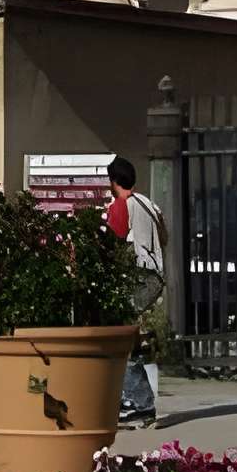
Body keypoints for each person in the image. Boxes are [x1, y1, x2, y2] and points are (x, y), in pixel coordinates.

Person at [105, 155, 167, 427]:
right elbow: (163, 237)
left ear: (113, 181)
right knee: (127, 335)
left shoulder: (121, 205)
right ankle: (133, 400)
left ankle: (140, 403)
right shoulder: (149, 204)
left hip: (140, 276)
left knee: (118, 334)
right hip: (155, 276)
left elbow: (113, 243)